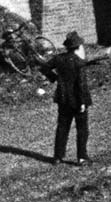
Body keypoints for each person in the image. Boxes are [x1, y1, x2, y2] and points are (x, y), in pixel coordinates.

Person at [43, 31, 92, 166]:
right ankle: (82, 157)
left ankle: (57, 157)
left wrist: (55, 78)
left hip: (63, 99)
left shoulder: (58, 59)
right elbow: (81, 84)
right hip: (77, 100)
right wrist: (82, 102)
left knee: (62, 128)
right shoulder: (78, 62)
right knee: (82, 129)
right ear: (78, 47)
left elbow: (44, 67)